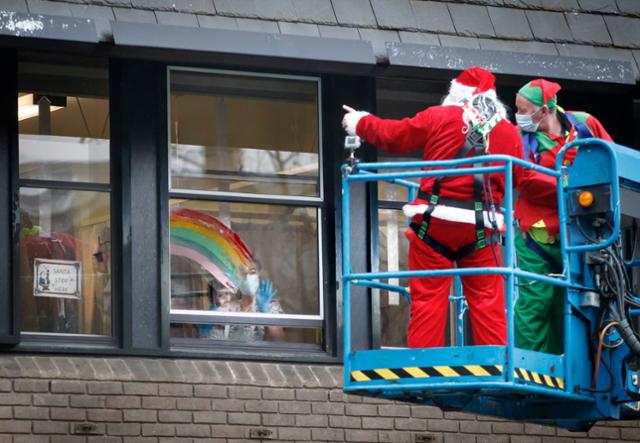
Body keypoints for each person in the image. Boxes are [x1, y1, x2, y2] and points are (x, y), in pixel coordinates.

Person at [342, 67, 528, 348]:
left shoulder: (439, 116)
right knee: (488, 302)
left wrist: (360, 122)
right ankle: (496, 361)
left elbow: (396, 136)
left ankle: (422, 361)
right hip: (481, 228)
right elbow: (519, 178)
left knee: (428, 298)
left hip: (434, 221)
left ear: (456, 94)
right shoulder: (509, 133)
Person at [513, 78, 613, 354]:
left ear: (544, 110)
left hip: (582, 234)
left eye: (523, 110)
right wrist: (569, 183)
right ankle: (529, 366)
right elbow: (525, 179)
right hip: (537, 236)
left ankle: (564, 367)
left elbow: (610, 157)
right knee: (535, 303)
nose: (518, 115)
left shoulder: (584, 124)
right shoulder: (521, 139)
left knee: (572, 302)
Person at [200, 265, 285, 341]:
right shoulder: (227, 307)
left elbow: (278, 339)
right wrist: (211, 318)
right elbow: (210, 340)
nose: (248, 277)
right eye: (243, 273)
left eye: (252, 272)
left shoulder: (271, 306)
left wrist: (266, 313)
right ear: (236, 279)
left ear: (258, 275)